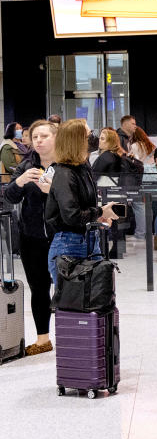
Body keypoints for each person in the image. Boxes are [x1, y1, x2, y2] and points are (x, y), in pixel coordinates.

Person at [44, 119, 120, 286]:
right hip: (69, 245)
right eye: (88, 135)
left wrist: (97, 217)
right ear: (77, 141)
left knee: (94, 298)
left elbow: (82, 207)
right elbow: (71, 215)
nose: (92, 138)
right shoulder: (64, 173)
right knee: (74, 303)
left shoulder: (83, 167)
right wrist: (100, 212)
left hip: (89, 240)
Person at [5, 120, 58, 355]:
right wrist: (19, 181)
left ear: (56, 138)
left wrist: (54, 188)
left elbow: (81, 196)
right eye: (35, 137)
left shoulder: (69, 165)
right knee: (39, 288)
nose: (38, 140)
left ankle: (73, 334)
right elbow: (10, 196)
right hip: (32, 237)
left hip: (64, 237)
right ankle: (43, 339)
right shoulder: (26, 165)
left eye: (44, 136)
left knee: (69, 289)